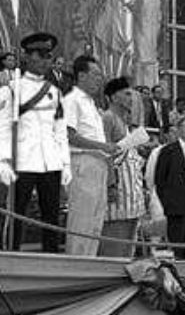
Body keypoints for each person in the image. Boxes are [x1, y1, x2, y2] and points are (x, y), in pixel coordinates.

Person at [0, 32, 70, 253]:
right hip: (22, 161)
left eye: (49, 56)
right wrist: (2, 161)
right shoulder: (9, 89)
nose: (47, 61)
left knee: (51, 219)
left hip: (49, 162)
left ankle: (51, 261)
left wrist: (64, 163)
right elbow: (0, 129)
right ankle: (10, 258)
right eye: (42, 55)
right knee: (16, 216)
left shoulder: (54, 93)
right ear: (27, 57)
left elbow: (60, 132)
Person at [63, 54, 118, 256]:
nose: (99, 79)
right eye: (95, 74)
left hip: (98, 164)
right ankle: (77, 264)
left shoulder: (92, 105)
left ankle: (89, 261)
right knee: (82, 221)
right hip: (83, 162)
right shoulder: (72, 100)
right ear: (81, 76)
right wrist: (102, 146)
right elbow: (68, 135)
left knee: (95, 223)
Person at [99, 76, 147, 258]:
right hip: (117, 195)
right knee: (115, 248)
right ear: (112, 97)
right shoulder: (108, 118)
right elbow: (105, 153)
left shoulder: (125, 122)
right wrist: (110, 185)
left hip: (131, 194)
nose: (131, 98)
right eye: (126, 94)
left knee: (128, 248)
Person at [154, 114, 185, 259]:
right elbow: (160, 180)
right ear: (179, 130)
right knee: (178, 244)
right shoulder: (168, 151)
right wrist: (168, 203)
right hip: (176, 203)